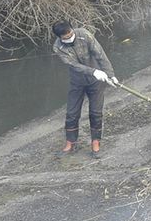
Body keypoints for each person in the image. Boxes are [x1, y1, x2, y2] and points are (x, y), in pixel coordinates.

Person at [51, 21, 119, 157]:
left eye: (70, 33)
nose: (69, 37)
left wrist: (110, 75)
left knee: (95, 112)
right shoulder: (58, 47)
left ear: (72, 29)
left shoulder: (84, 34)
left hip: (96, 82)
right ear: (60, 37)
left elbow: (100, 54)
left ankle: (95, 142)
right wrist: (93, 71)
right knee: (71, 113)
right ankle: (70, 143)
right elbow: (73, 64)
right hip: (77, 81)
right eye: (65, 37)